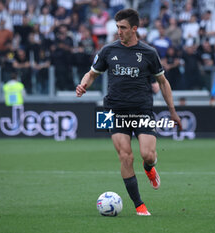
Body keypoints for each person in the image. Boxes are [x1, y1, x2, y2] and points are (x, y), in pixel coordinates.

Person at [76, 9, 181, 216]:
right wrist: (83, 85)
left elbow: (163, 82)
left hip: (142, 109)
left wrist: (173, 112)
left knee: (147, 154)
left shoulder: (149, 53)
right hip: (113, 111)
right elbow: (92, 74)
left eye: (123, 28)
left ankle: (150, 168)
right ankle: (139, 205)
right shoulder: (108, 51)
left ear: (134, 29)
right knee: (125, 157)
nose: (119, 32)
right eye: (117, 27)